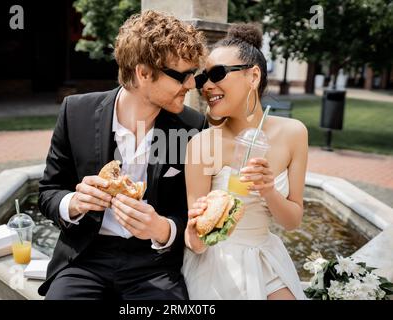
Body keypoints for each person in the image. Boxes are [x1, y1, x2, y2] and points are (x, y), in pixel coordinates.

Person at [38, 10, 207, 299]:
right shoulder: (75, 112)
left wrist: (162, 228)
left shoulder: (193, 127)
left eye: (193, 75)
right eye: (182, 76)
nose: (191, 84)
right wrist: (74, 203)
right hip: (85, 259)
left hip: (153, 266)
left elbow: (190, 212)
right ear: (143, 73)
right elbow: (49, 191)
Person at [182, 23, 308, 300]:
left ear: (253, 76)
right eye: (204, 78)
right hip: (216, 268)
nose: (207, 86)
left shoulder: (294, 133)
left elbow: (292, 222)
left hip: (266, 260)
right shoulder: (202, 144)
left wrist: (268, 190)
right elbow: (196, 244)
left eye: (218, 74)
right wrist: (196, 230)